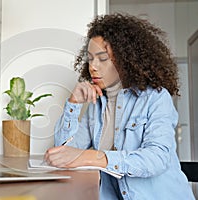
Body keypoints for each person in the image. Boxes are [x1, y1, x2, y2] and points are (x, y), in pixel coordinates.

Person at [44, 13, 195, 199]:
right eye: (90, 58)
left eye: (102, 58)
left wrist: (92, 157)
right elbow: (63, 153)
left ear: (126, 59)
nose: (93, 66)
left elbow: (157, 158)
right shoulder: (96, 104)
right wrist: (72, 104)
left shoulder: (155, 97)